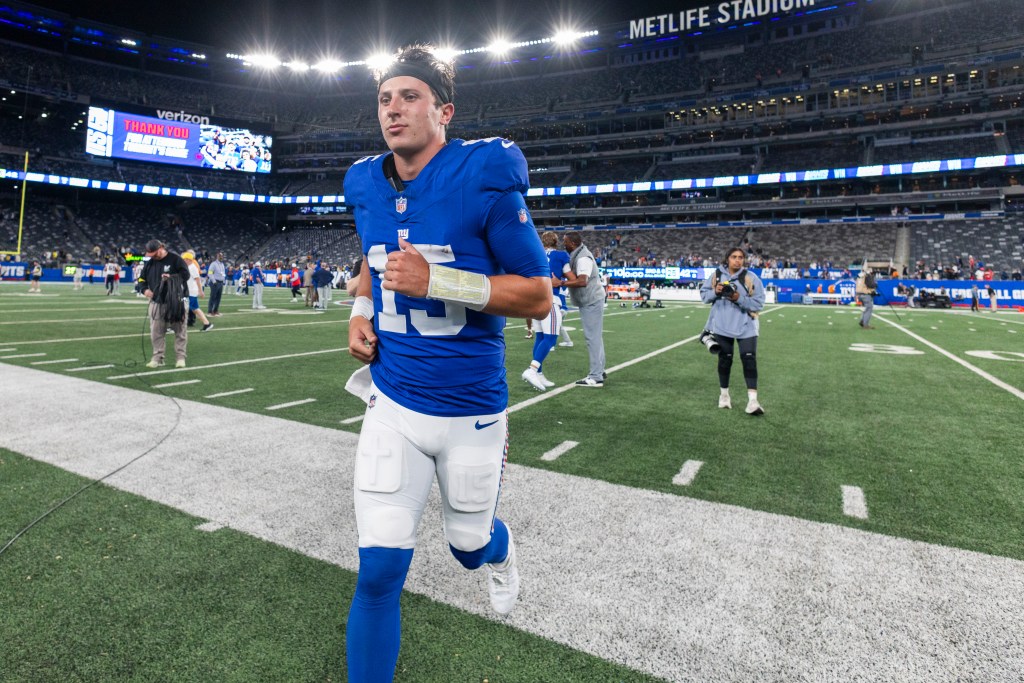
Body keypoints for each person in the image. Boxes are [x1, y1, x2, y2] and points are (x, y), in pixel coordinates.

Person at [343, 44, 551, 683]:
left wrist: (442, 282)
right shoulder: (365, 182)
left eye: (409, 97)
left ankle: (500, 548)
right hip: (395, 404)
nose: (393, 110)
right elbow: (371, 264)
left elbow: (538, 294)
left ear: (444, 110)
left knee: (467, 549)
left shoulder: (482, 173)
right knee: (379, 569)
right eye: (385, 98)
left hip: (471, 409)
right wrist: (357, 314)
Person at [700, 247, 766, 415]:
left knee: (749, 360)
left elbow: (758, 304)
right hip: (722, 325)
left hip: (747, 326)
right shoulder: (716, 275)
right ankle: (724, 396)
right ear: (727, 258)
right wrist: (715, 291)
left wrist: (738, 298)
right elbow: (704, 297)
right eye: (734, 257)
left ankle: (753, 401)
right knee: (724, 360)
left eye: (740, 257)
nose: (737, 260)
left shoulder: (751, 278)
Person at [521, 232, 570, 391]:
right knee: (551, 339)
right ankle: (533, 370)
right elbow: (569, 275)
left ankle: (539, 374)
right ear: (556, 242)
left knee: (540, 337)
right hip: (551, 299)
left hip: (535, 300)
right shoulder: (561, 255)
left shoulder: (535, 254)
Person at [561, 231, 606, 387]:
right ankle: (600, 370)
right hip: (592, 299)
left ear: (572, 243)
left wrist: (560, 283)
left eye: (565, 241)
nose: (563, 244)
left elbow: (582, 281)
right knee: (596, 337)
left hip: (591, 300)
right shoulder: (579, 254)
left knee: (592, 337)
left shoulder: (583, 258)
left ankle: (595, 376)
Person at [137, 240, 190, 368]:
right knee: (156, 332)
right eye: (151, 254)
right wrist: (144, 290)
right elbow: (141, 279)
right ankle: (157, 358)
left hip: (176, 301)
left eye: (155, 253)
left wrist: (171, 277)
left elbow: (186, 275)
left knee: (180, 330)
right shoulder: (149, 263)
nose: (153, 256)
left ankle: (180, 358)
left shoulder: (175, 259)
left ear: (161, 247)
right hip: (156, 302)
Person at [182, 251, 214, 332]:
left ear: (188, 259)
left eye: (184, 259)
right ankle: (207, 323)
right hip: (188, 291)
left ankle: (207, 323)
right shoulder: (189, 266)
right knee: (194, 308)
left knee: (193, 308)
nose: (183, 260)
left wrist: (200, 291)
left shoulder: (192, 267)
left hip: (191, 291)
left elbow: (197, 279)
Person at [206, 252, 226, 316]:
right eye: (220, 256)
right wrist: (214, 281)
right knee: (213, 297)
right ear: (217, 256)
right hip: (215, 282)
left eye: (222, 256)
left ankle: (215, 311)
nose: (221, 257)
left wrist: (223, 280)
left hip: (220, 282)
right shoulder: (213, 264)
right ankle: (209, 311)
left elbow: (223, 273)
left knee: (218, 298)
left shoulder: (222, 264)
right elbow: (210, 273)